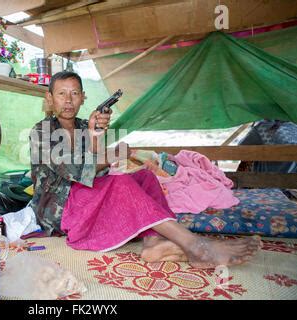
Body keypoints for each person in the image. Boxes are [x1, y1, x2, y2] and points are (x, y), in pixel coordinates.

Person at [29, 71, 262, 268]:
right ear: (50, 98)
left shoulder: (82, 126)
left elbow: (96, 171)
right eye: (61, 93)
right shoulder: (42, 132)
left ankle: (153, 243)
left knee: (144, 176)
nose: (68, 100)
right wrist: (113, 155)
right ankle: (196, 246)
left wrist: (94, 133)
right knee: (120, 183)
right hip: (58, 211)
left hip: (82, 195)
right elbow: (76, 169)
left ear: (83, 98)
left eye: (75, 93)